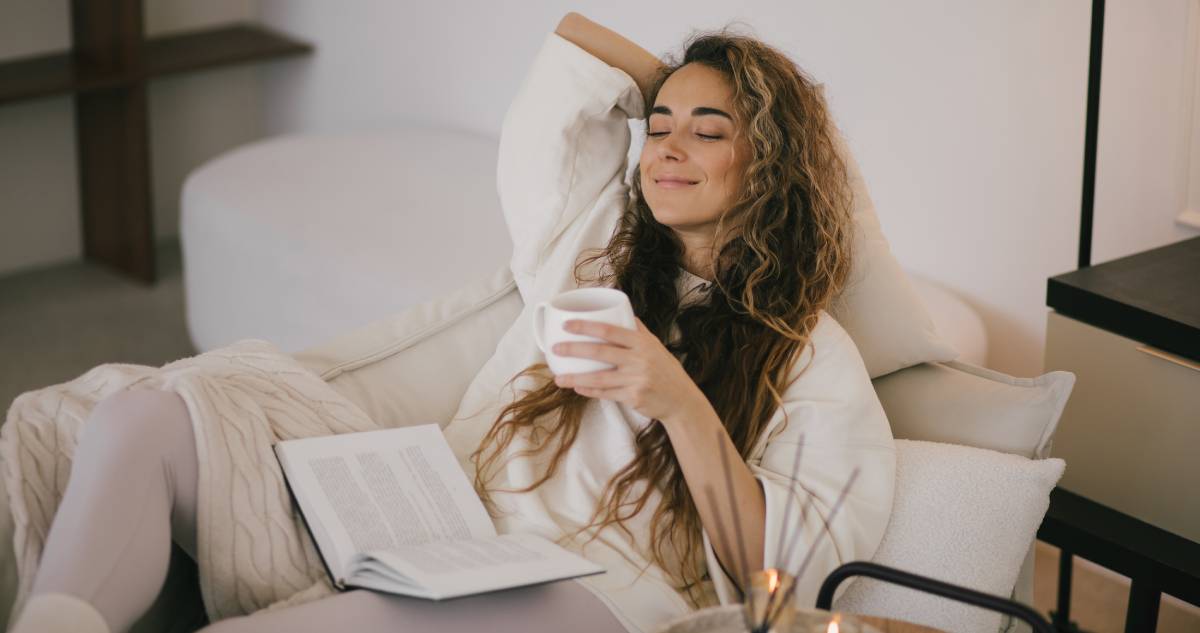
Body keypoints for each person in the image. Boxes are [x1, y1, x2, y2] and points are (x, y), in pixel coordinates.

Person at [5, 11, 895, 633]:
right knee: (143, 415)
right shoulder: (597, 253)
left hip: (591, 590)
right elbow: (568, 73)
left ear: (771, 161)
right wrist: (689, 85)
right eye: (659, 125)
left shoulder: (812, 358)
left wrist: (678, 401)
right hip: (436, 517)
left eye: (708, 131)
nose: (665, 145)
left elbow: (779, 582)